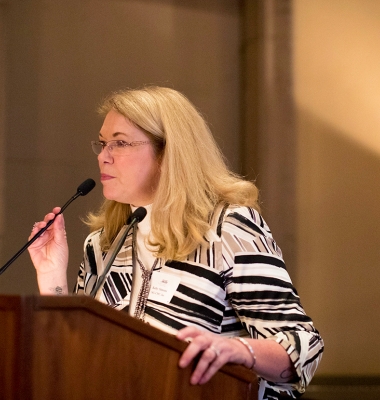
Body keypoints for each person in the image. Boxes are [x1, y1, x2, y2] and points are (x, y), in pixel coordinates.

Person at [28, 86, 324, 399]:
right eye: (102, 144)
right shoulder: (103, 244)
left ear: (168, 152)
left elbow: (303, 347)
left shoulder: (227, 229)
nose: (103, 156)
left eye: (120, 143)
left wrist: (235, 349)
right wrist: (52, 279)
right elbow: (77, 351)